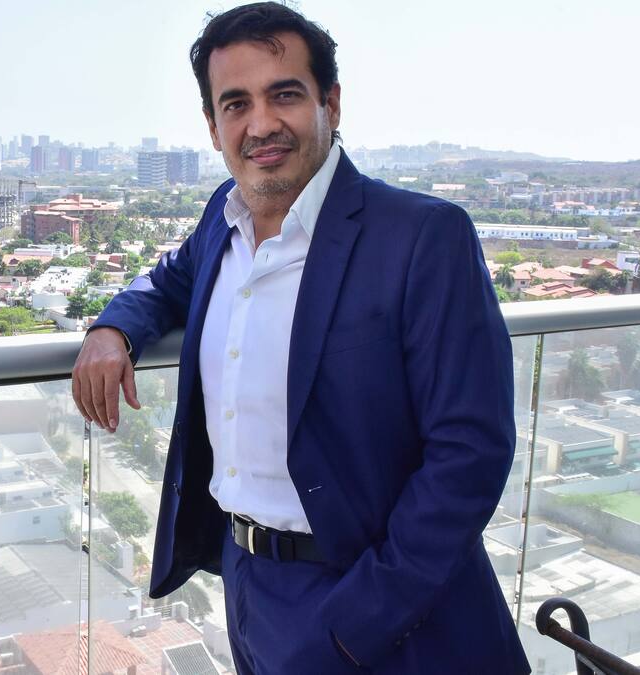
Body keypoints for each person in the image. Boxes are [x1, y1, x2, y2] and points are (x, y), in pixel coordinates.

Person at [72, 3, 529, 673]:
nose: (260, 124)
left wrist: (355, 625)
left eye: (283, 94)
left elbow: (471, 452)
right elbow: (168, 281)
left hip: (385, 611)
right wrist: (112, 328)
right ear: (213, 126)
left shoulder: (422, 236)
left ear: (330, 103)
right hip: (248, 586)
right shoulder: (222, 217)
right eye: (236, 104)